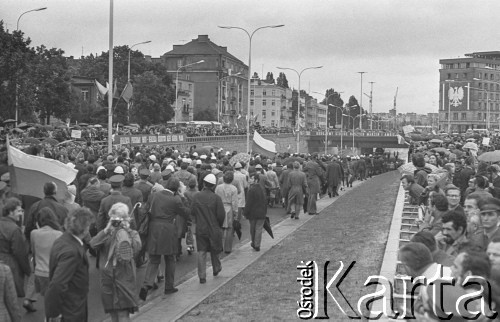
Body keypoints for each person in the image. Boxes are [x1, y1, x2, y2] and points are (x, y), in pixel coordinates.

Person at [90, 203, 141, 322]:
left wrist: (125, 231)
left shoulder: (131, 233)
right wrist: (106, 230)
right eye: (112, 219)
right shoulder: (107, 234)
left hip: (122, 277)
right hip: (109, 279)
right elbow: (93, 245)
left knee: (122, 313)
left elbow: (136, 249)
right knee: (113, 313)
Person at [139, 177, 185, 301]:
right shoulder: (176, 199)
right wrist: (182, 196)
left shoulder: (154, 195)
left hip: (154, 228)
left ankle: (146, 284)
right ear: (176, 189)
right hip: (168, 230)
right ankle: (169, 286)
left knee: (154, 259)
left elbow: (144, 210)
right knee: (170, 258)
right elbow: (185, 212)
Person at [45, 208, 93, 322]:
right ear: (85, 229)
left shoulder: (62, 240)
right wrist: (54, 313)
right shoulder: (71, 251)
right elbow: (57, 284)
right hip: (71, 312)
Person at [25, 208, 63, 312]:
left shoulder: (34, 233)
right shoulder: (58, 234)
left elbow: (33, 251)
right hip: (54, 273)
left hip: (39, 272)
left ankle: (29, 298)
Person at [190, 174, 225, 284]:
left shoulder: (196, 196)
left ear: (204, 184)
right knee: (215, 249)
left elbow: (192, 212)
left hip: (201, 228)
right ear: (214, 186)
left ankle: (202, 276)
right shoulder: (216, 198)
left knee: (202, 251)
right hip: (213, 227)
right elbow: (221, 215)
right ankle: (216, 268)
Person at [0, 198, 31, 298]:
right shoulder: (14, 229)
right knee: (11, 299)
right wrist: (27, 270)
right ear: (10, 212)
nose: (21, 213)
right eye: (18, 211)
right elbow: (20, 252)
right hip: (10, 265)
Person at [215, 171, 239, 254]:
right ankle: (228, 248)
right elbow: (235, 202)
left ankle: (219, 246)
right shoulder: (234, 189)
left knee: (220, 227)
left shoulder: (218, 187)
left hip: (220, 207)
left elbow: (215, 198)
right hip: (229, 208)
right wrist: (236, 212)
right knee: (229, 229)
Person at [244, 173, 267, 252]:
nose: (250, 180)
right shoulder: (261, 188)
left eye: (252, 178)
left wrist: (245, 212)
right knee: (259, 229)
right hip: (261, 212)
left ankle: (254, 243)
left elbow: (248, 203)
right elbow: (264, 201)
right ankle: (257, 244)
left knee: (253, 229)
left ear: (256, 180)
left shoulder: (251, 189)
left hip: (253, 213)